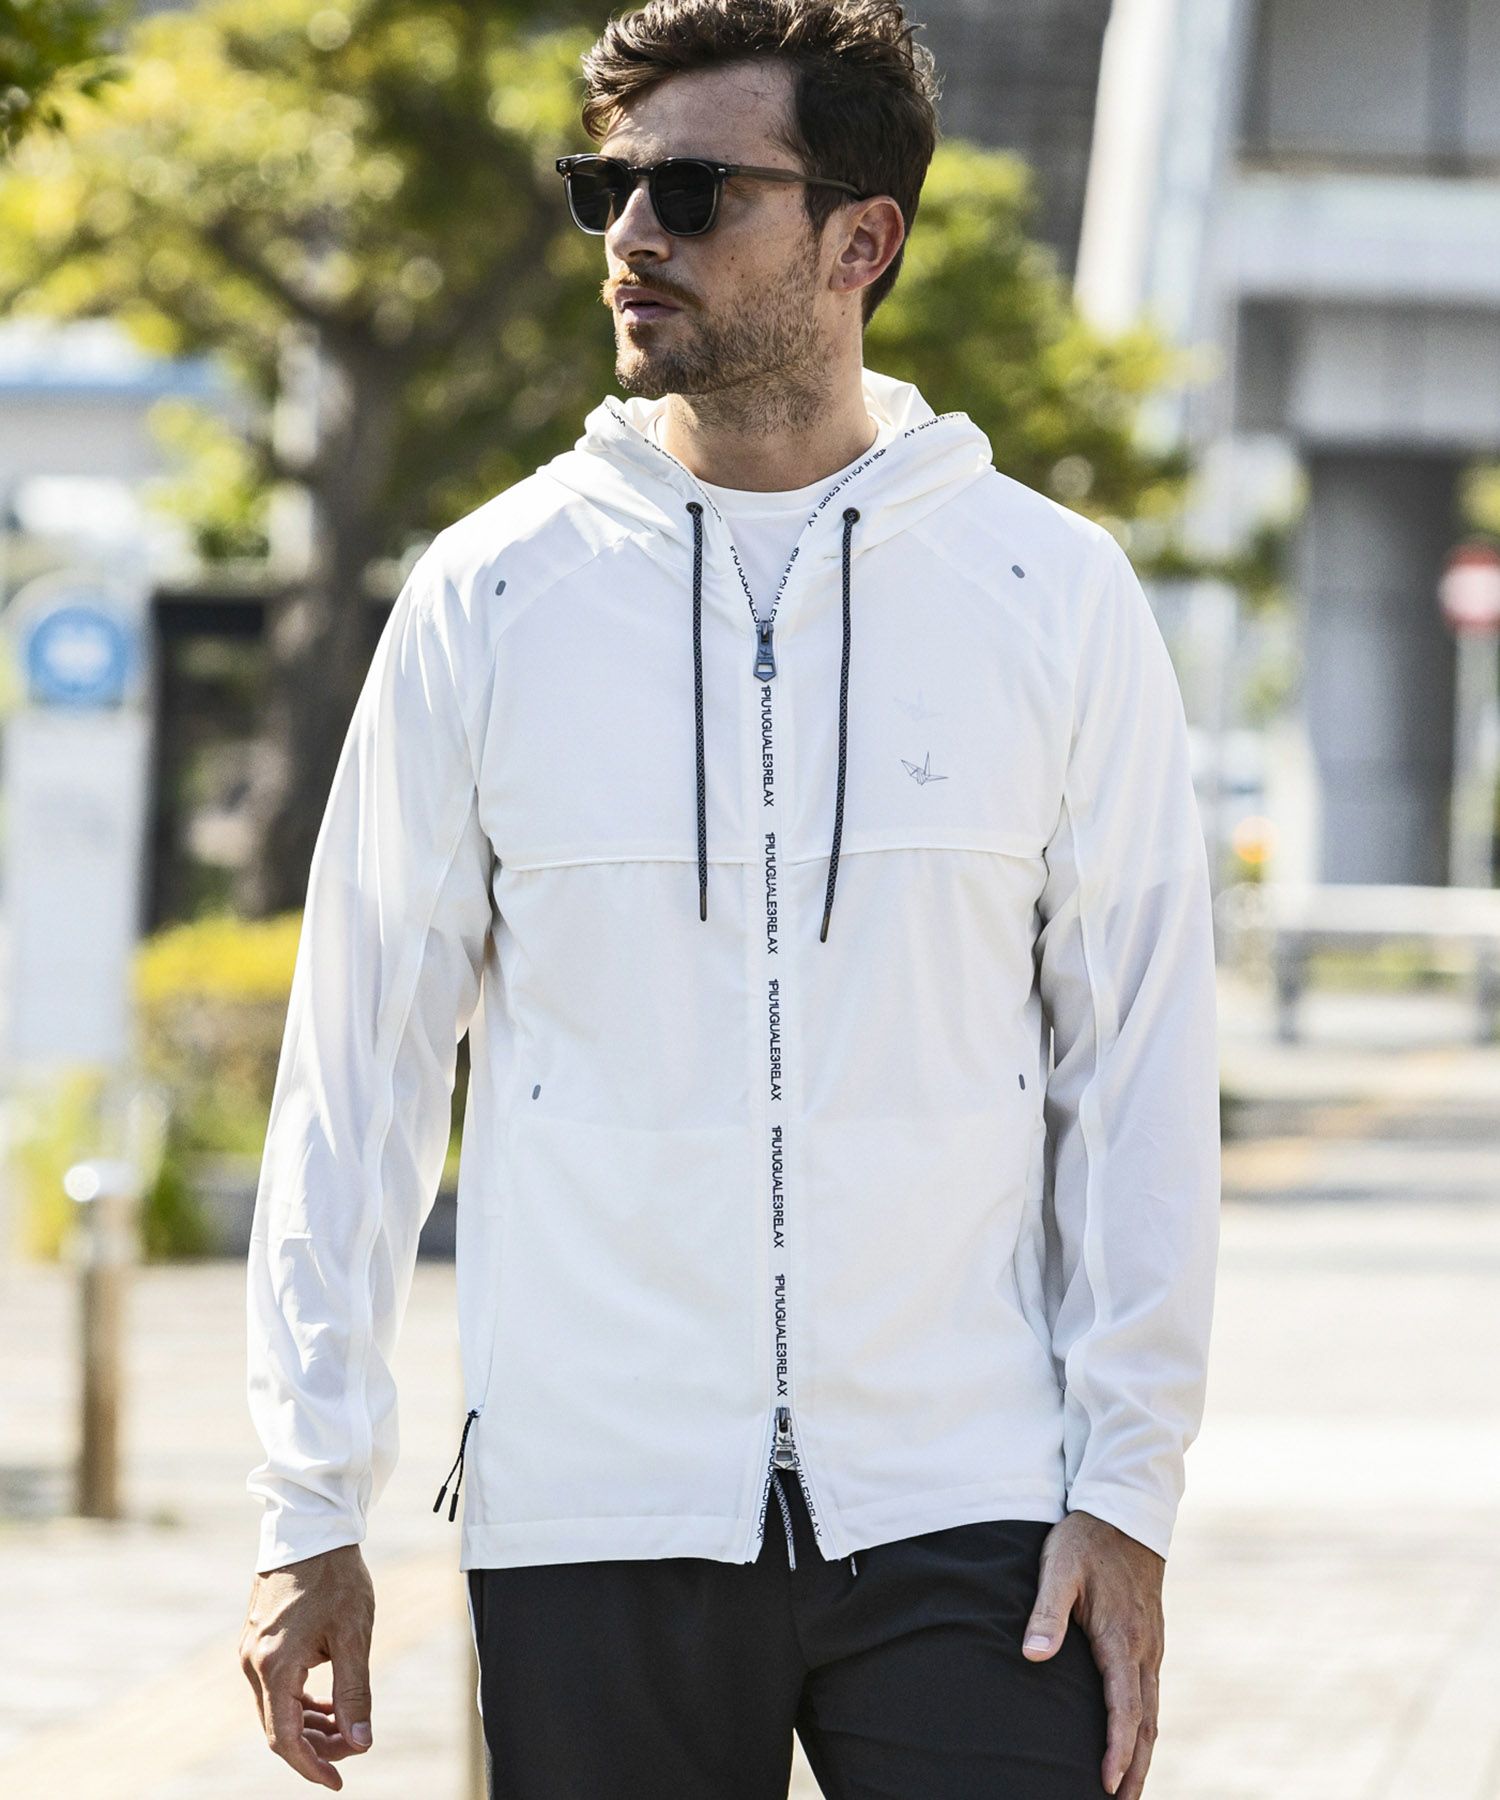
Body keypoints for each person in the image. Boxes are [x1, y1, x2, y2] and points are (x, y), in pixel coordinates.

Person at [237, 3, 1221, 1796]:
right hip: (594, 1510)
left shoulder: (1051, 595)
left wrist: (1129, 1491)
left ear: (863, 240)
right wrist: (309, 1509)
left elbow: (1139, 1076)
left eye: (692, 191)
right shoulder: (491, 596)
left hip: (971, 1509)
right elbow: (357, 1076)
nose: (633, 233)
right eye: (605, 187)